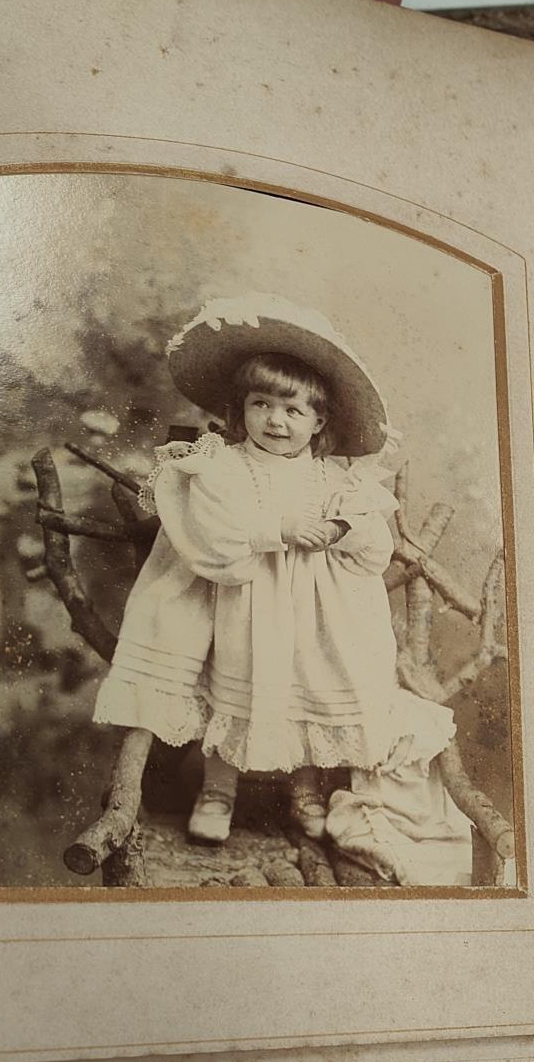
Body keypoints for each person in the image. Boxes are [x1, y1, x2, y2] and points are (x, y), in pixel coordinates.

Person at [92, 295, 471, 881]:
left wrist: (342, 528)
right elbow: (214, 533)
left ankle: (305, 793)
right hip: (244, 608)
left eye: (293, 410)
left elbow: (372, 546)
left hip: (316, 619)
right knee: (233, 695)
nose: (275, 420)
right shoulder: (220, 465)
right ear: (239, 410)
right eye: (261, 404)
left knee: (306, 695)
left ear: (320, 421)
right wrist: (279, 529)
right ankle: (216, 792)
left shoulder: (336, 476)